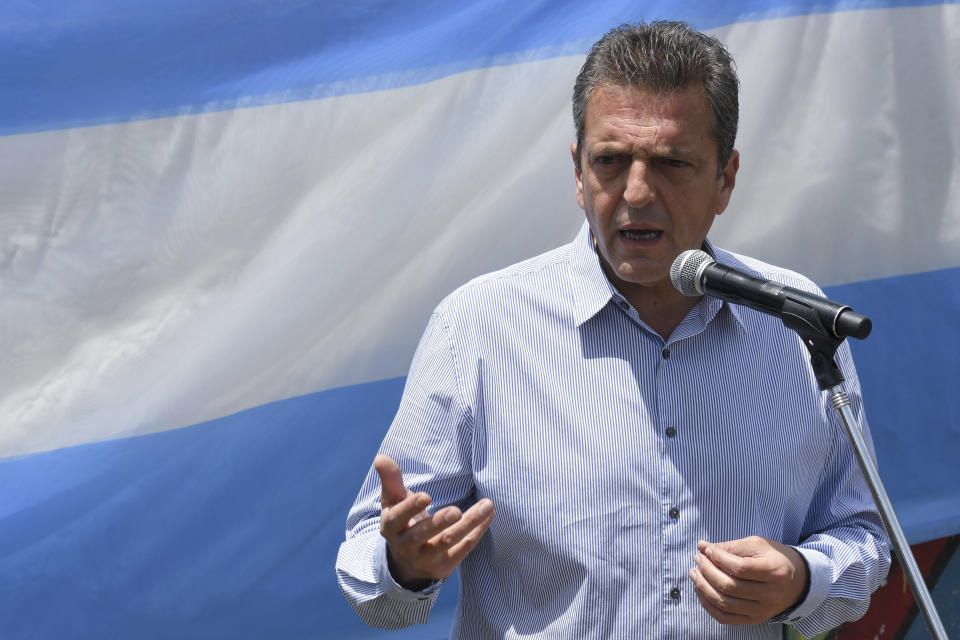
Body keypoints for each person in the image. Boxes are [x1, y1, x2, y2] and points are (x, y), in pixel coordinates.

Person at [336, 21, 890, 639]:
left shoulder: (792, 322)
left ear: (726, 179)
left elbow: (862, 537)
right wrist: (403, 565)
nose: (636, 192)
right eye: (610, 161)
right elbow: (370, 582)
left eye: (673, 163)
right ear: (577, 173)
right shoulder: (479, 327)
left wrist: (801, 578)